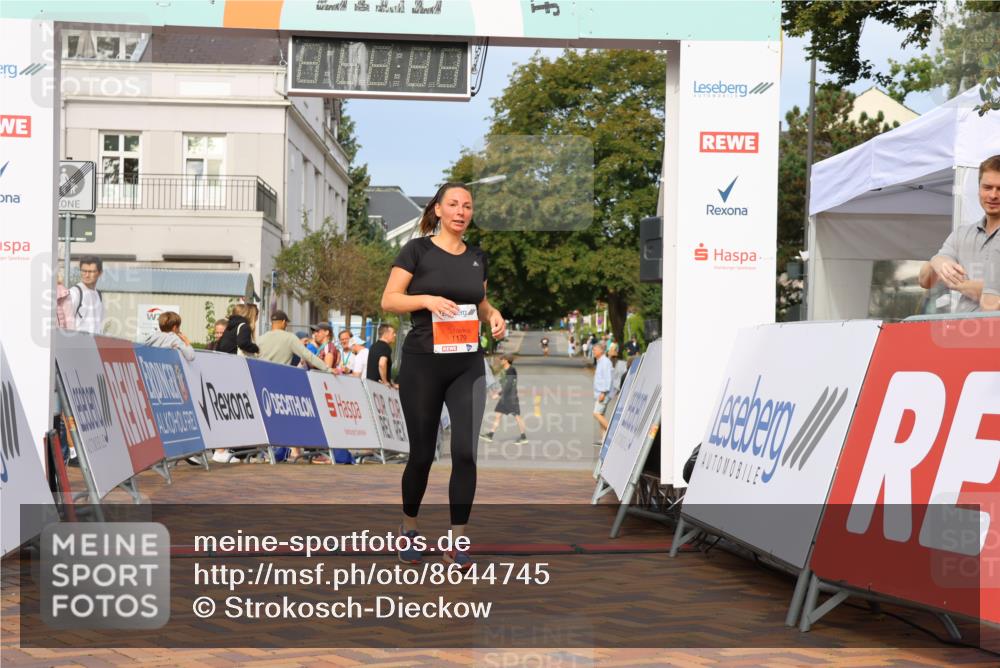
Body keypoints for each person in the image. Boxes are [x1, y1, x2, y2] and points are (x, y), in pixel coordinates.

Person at [380, 181, 506, 570]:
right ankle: (410, 528)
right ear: (437, 210)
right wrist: (426, 299)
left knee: (466, 452)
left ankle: (457, 542)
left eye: (467, 205)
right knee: (421, 455)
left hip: (467, 363)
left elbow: (479, 301)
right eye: (452, 204)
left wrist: (493, 315)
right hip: (423, 363)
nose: (460, 211)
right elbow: (389, 299)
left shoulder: (477, 257)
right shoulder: (416, 250)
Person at [919, 154, 1000, 312]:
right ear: (978, 190)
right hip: (963, 332)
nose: (993, 195)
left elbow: (994, 297)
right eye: (987, 187)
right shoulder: (962, 234)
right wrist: (935, 261)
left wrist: (956, 283)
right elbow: (925, 281)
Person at [257, 310, 331, 370]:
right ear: (283, 322)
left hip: (262, 378)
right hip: (280, 378)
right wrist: (327, 369)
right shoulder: (290, 338)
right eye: (286, 323)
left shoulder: (260, 338)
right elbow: (308, 356)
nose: (286, 326)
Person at [481, 354, 527, 445]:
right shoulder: (505, 371)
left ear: (506, 360)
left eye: (502, 359)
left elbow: (509, 385)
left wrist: (498, 394)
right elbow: (504, 385)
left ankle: (523, 437)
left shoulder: (511, 370)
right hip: (505, 398)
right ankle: (490, 434)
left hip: (511, 398)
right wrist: (497, 392)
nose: (501, 361)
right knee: (498, 416)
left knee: (517, 417)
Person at [69, 255, 105, 334]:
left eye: (91, 271)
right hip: (76, 343)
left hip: (94, 344)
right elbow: (65, 323)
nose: (87, 275)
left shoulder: (99, 295)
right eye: (84, 271)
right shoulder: (75, 293)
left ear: (100, 273)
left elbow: (100, 325)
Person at [591, 342, 612, 442]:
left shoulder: (605, 362)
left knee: (596, 413)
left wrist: (603, 392)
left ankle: (611, 433)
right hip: (599, 393)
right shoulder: (600, 361)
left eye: (594, 350)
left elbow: (608, 378)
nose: (593, 352)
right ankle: (604, 438)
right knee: (601, 414)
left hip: (603, 393)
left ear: (601, 351)